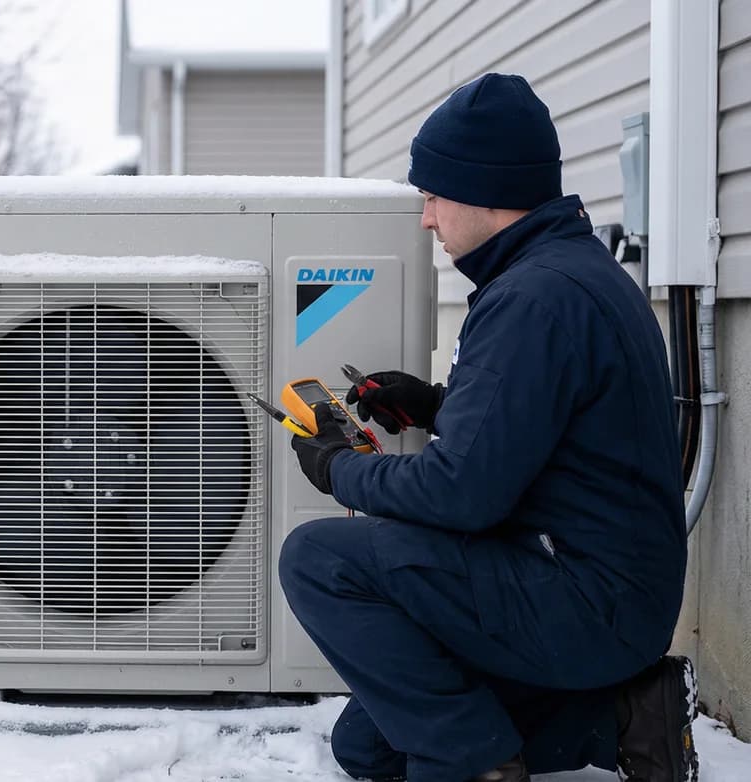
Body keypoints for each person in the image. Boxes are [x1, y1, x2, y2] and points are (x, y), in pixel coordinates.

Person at [280, 73, 697, 782]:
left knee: (318, 558)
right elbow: (548, 423)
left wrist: (335, 467)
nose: (427, 218)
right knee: (369, 747)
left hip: (583, 597)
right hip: (609, 595)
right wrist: (437, 405)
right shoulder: (572, 275)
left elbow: (461, 494)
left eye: (434, 195)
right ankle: (625, 717)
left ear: (485, 191)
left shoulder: (532, 300)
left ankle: (477, 765)